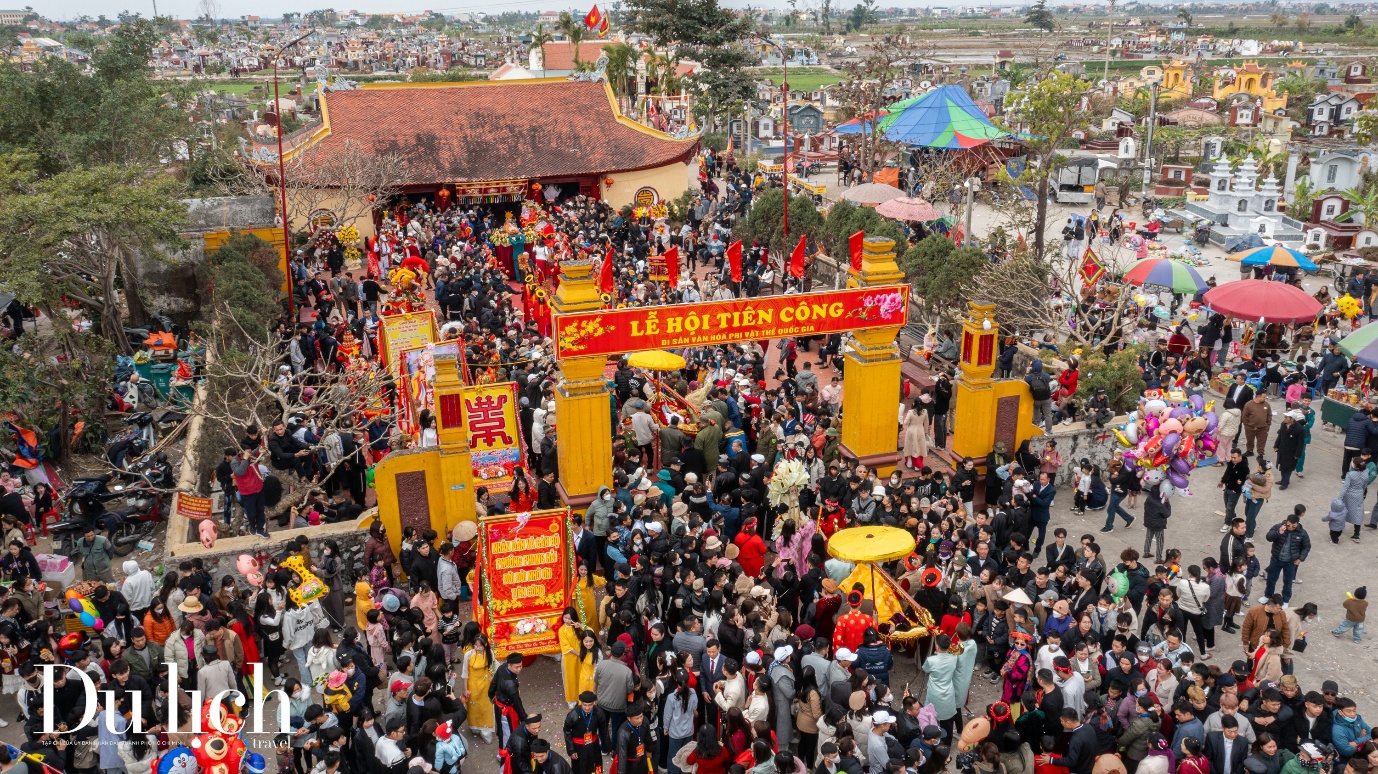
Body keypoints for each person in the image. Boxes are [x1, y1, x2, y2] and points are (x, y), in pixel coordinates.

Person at [1262, 508, 1310, 606]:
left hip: (1290, 562)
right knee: (1271, 579)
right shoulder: (1278, 527)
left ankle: (1286, 600)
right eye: (1289, 525)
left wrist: (1300, 558)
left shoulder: (1302, 533)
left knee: (1288, 582)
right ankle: (1267, 596)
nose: (1291, 527)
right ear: (1286, 521)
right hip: (1276, 559)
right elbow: (1268, 537)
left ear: (1297, 524)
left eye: (1294, 525)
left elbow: (1307, 546)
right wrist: (1278, 533)